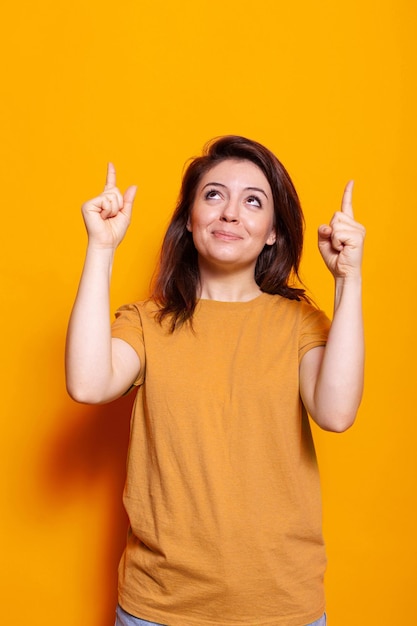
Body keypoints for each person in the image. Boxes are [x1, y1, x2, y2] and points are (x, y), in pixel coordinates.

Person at [65, 136, 365, 626]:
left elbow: (335, 413)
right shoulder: (147, 321)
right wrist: (101, 248)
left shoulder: (300, 323)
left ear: (272, 232)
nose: (230, 213)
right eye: (213, 195)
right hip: (158, 608)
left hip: (282, 607)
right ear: (189, 217)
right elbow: (87, 383)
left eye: (253, 201)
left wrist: (348, 280)